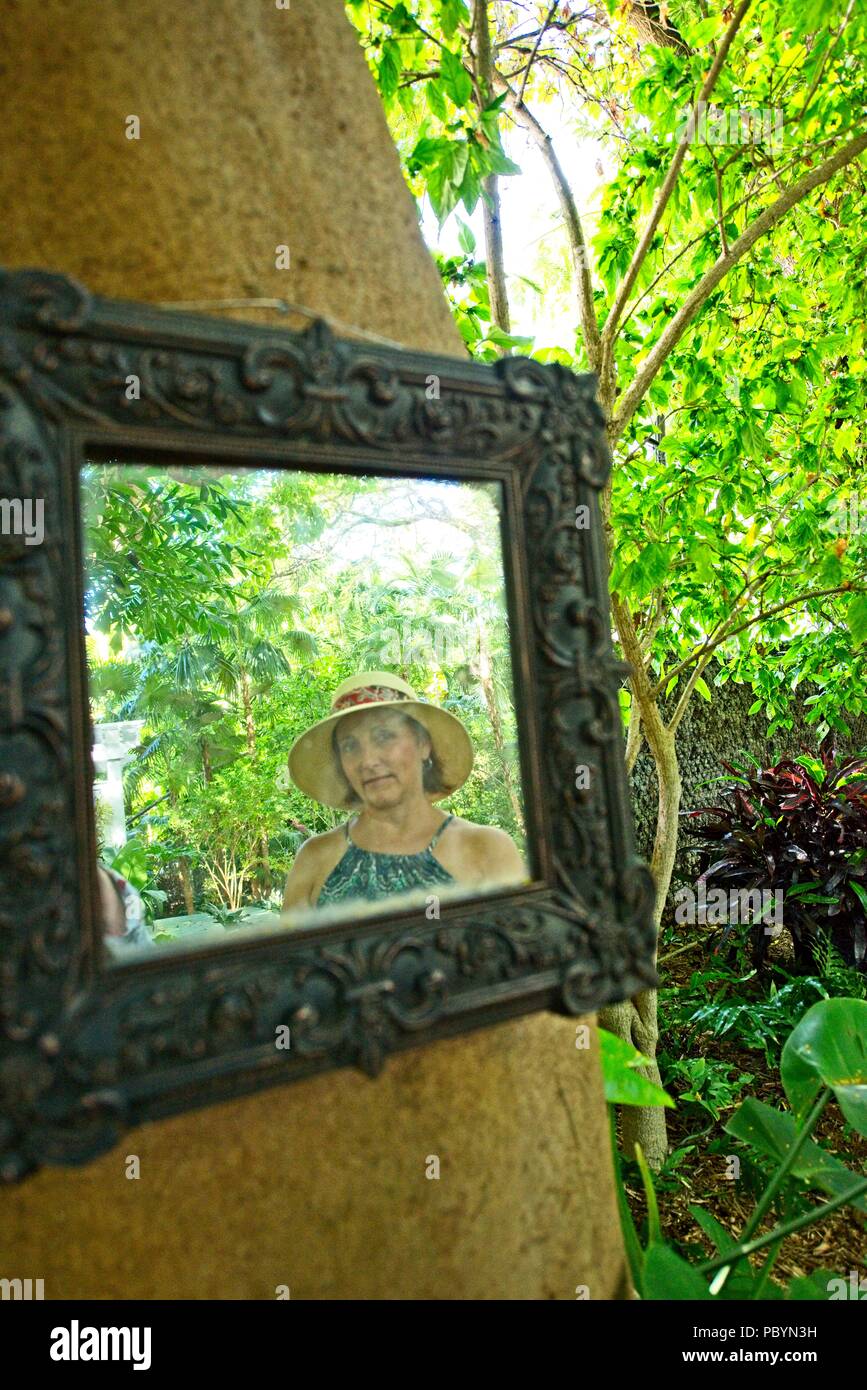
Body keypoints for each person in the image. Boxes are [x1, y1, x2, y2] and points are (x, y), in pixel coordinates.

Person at [281, 670, 526, 913]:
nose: (367, 760)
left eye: (384, 736)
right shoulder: (314, 859)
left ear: (423, 745)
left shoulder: (487, 850)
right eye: (350, 746)